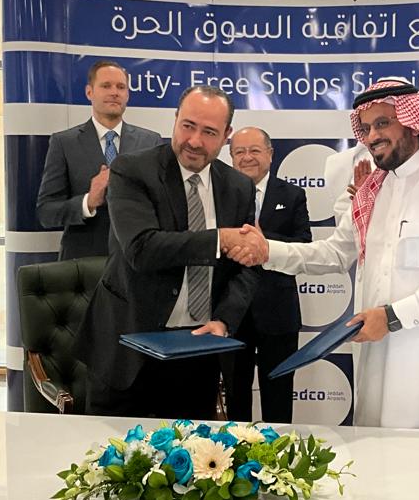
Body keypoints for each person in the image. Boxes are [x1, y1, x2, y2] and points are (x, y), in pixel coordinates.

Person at [227, 78, 419, 432]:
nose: (372, 136)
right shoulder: (374, 190)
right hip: (383, 358)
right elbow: (334, 253)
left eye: (383, 123)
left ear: (414, 123)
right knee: (384, 455)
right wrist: (267, 251)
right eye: (365, 128)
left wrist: (394, 317)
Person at [76, 85, 259, 419]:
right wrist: (220, 239)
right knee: (115, 451)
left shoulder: (239, 187)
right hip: (127, 350)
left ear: (226, 135)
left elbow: (246, 268)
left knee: (193, 450)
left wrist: (223, 320)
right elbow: (142, 248)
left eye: (209, 132)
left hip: (197, 351)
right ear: (175, 119)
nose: (194, 141)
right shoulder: (131, 170)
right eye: (187, 126)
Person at [224, 126, 311, 423]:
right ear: (231, 156)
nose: (247, 157)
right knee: (235, 397)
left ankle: (278, 453)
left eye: (254, 150)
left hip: (278, 314)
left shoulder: (293, 194)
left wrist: (266, 242)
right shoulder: (221, 195)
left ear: (270, 155)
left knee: (279, 398)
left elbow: (304, 247)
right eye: (239, 151)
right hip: (232, 313)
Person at [36, 60, 161, 260]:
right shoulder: (64, 143)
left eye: (121, 87)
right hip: (83, 263)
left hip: (136, 261)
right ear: (89, 92)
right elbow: (46, 213)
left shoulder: (150, 142)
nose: (114, 92)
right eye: (106, 86)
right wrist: (88, 202)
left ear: (127, 95)